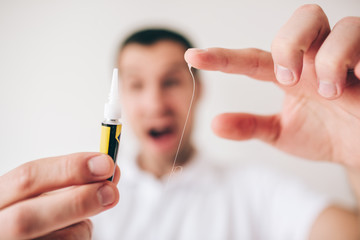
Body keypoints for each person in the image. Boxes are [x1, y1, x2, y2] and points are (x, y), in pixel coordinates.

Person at [0, 4, 359, 240]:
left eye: (171, 81)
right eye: (137, 84)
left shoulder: (256, 191)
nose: (156, 102)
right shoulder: (75, 205)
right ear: (121, 97)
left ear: (197, 90)